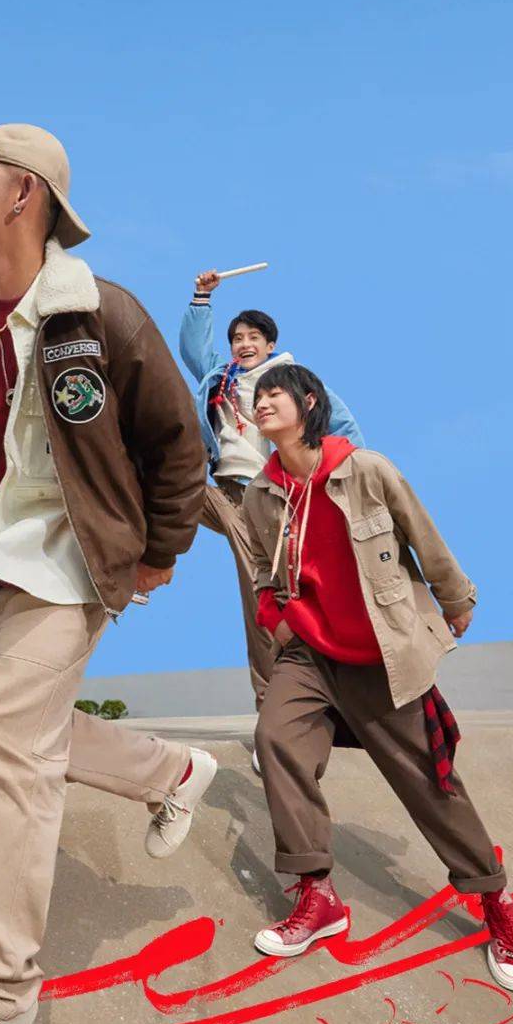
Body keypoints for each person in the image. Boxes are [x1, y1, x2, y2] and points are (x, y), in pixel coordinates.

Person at [0, 124, 218, 1024]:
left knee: (0, 735)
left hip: (76, 560)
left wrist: (159, 550)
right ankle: (173, 773)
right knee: (30, 723)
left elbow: (177, 441)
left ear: (25, 195)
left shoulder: (102, 315)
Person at [241, 362, 513, 992]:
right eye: (256, 396)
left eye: (274, 393)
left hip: (379, 655)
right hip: (308, 653)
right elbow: (263, 567)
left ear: (308, 403)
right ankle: (317, 895)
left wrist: (456, 599)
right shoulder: (260, 494)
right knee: (276, 739)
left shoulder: (365, 471)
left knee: (429, 781)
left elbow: (422, 534)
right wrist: (276, 619)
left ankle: (494, 900)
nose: (261, 403)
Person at [179, 271, 363, 719]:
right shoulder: (221, 378)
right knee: (162, 480)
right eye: (237, 338)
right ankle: (140, 556)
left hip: (265, 499)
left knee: (265, 597)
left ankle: (275, 706)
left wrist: (347, 482)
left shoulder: (292, 383)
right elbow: (193, 350)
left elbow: (344, 428)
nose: (244, 344)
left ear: (270, 343)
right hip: (222, 491)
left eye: (253, 337)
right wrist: (201, 297)